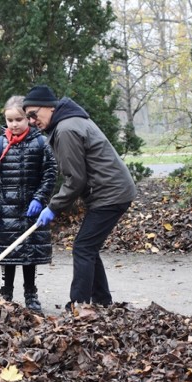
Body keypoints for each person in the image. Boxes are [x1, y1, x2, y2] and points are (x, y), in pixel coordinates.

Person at [23, 85, 137, 309]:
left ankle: (80, 305)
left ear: (49, 107)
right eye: (28, 117)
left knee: (83, 248)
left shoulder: (66, 129)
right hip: (111, 192)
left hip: (110, 193)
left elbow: (75, 180)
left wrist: (53, 207)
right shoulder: (69, 122)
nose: (31, 121)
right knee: (88, 247)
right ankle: (102, 303)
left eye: (33, 114)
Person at [0, 96, 57, 312]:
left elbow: (50, 173)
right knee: (8, 254)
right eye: (10, 120)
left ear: (28, 119)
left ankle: (31, 293)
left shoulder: (40, 143)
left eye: (19, 119)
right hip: (5, 211)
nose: (14, 124)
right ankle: (6, 292)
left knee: (28, 254)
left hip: (31, 211)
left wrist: (39, 198)